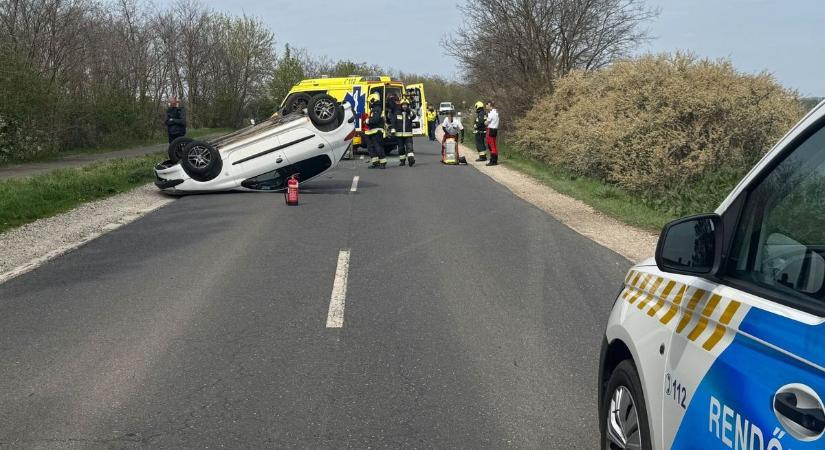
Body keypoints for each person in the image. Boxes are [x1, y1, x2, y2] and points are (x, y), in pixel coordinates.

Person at [391, 98, 416, 167]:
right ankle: (402, 161)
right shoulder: (397, 112)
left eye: (406, 105)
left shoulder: (409, 113)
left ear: (408, 105)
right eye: (403, 105)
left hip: (408, 134)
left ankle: (411, 160)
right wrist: (393, 128)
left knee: (409, 147)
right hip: (399, 134)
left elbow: (414, 116)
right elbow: (393, 121)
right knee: (401, 149)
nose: (404, 106)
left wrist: (410, 112)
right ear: (401, 105)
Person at [365, 92, 387, 169]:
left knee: (378, 147)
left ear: (373, 100)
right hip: (372, 131)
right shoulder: (374, 109)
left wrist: (368, 121)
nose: (369, 103)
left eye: (370, 101)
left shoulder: (377, 109)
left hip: (377, 131)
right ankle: (375, 162)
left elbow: (376, 120)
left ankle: (383, 162)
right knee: (371, 148)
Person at [484, 101, 500, 166]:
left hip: (491, 129)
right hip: (495, 129)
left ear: (490, 105)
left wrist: (485, 122)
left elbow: (487, 122)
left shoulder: (491, 113)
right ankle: (495, 160)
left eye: (487, 105)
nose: (486, 106)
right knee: (494, 145)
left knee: (491, 146)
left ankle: (492, 161)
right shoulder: (496, 112)